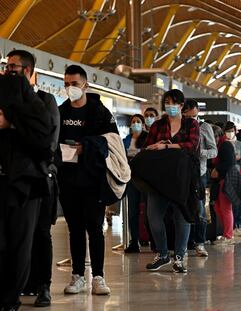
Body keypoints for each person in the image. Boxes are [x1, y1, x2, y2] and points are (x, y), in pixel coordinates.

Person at [58, 65, 118, 295]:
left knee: (95, 228)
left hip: (93, 179)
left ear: (85, 85)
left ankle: (99, 277)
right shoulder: (62, 111)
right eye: (66, 84)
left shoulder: (100, 112)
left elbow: (111, 141)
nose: (70, 88)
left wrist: (87, 147)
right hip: (68, 179)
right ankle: (77, 276)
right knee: (75, 229)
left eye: (74, 84)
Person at [6, 49, 59, 307]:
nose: (8, 70)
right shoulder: (4, 97)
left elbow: (46, 142)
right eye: (6, 66)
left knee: (31, 238)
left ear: (27, 71)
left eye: (13, 67)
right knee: (7, 242)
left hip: (30, 182)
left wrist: (11, 124)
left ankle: (37, 287)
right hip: (6, 180)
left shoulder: (43, 102)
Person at [144, 89, 199, 273]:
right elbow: (148, 147)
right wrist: (158, 148)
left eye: (174, 102)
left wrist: (166, 146)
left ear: (181, 105)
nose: (170, 106)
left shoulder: (191, 124)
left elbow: (191, 146)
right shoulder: (157, 126)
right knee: (154, 217)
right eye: (167, 102)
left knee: (181, 216)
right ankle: (162, 253)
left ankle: (179, 257)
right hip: (159, 178)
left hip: (182, 178)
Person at [182, 99, 217, 257]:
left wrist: (199, 153)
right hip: (181, 173)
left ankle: (200, 242)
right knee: (182, 209)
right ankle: (184, 243)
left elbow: (214, 151)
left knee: (200, 209)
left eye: (190, 112)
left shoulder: (204, 127)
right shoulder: (179, 126)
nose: (187, 115)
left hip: (199, 174)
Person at [123, 114, 148, 253]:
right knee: (132, 211)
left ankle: (152, 239)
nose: (135, 124)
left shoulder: (148, 139)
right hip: (131, 179)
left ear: (143, 124)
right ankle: (134, 240)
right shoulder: (126, 140)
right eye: (133, 122)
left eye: (138, 121)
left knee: (148, 210)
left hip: (145, 179)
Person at [223, 121, 241, 236]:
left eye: (231, 131)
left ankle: (237, 225)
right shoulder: (222, 143)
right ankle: (229, 227)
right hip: (224, 175)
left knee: (236, 202)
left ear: (235, 131)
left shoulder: (240, 144)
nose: (229, 133)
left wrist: (238, 159)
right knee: (227, 203)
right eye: (227, 131)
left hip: (236, 175)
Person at [211, 140, 237, 244]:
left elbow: (230, 162)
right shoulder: (218, 146)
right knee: (218, 207)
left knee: (226, 208)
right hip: (219, 180)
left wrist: (217, 168)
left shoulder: (225, 145)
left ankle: (228, 235)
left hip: (226, 180)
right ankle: (225, 233)